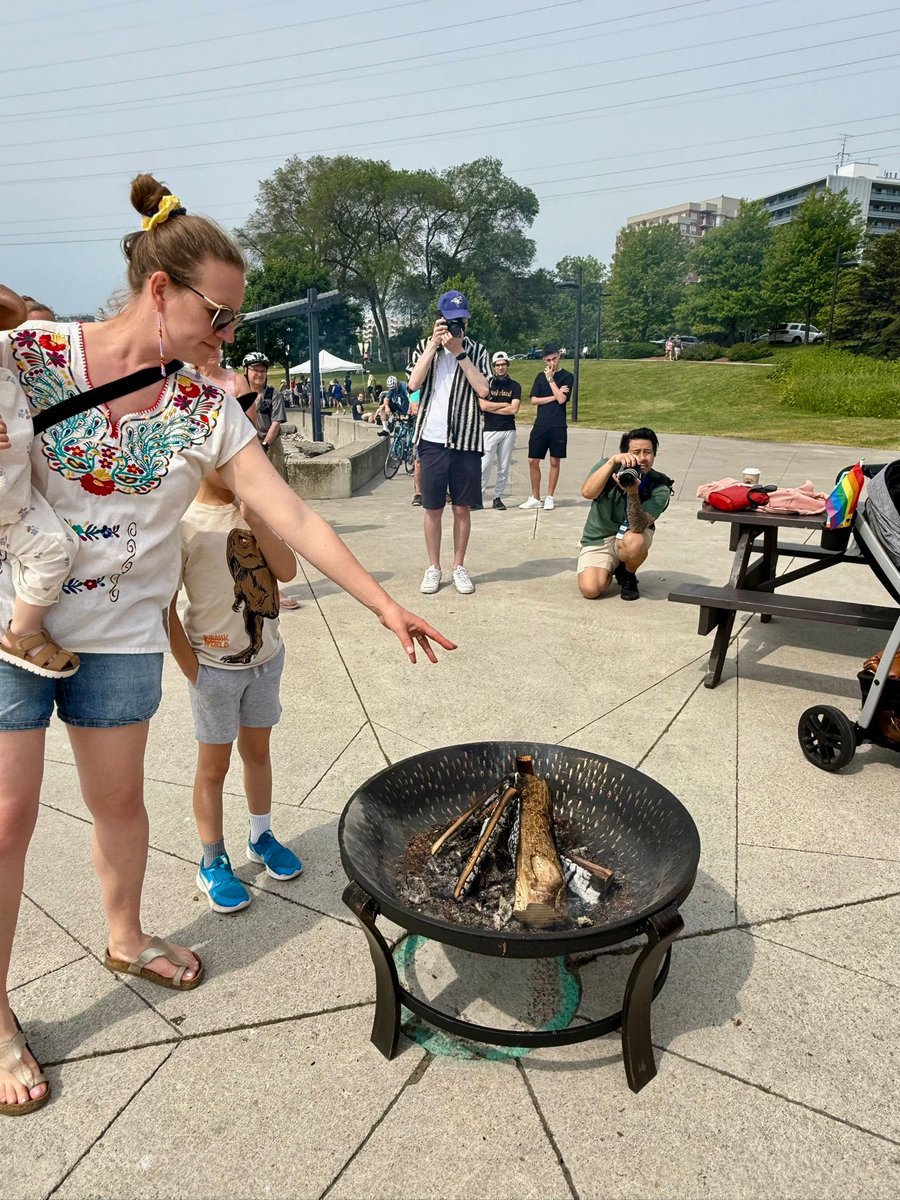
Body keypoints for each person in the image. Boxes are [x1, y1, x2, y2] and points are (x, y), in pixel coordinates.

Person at [0, 172, 454, 1116]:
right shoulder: (32, 354)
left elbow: (282, 506)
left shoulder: (207, 406)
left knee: (120, 801)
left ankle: (124, 936)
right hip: (13, 629)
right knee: (7, 819)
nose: (229, 335)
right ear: (159, 291)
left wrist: (381, 602)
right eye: (218, 313)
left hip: (122, 640)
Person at [169, 465, 302, 913]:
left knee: (258, 752)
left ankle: (260, 835)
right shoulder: (184, 522)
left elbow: (286, 570)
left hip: (266, 662)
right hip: (214, 669)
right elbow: (164, 606)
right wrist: (195, 669)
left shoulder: (255, 511)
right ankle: (212, 859)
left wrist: (259, 519)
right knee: (213, 766)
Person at [0, 285, 80, 684]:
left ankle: (21, 630)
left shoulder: (8, 367)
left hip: (16, 493)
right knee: (54, 548)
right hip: (8, 500)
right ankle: (20, 634)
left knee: (55, 548)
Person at [408, 290, 490, 594]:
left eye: (462, 322)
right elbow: (413, 384)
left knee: (462, 508)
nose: (457, 328)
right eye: (451, 322)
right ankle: (434, 567)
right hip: (432, 439)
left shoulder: (476, 351)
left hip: (465, 440)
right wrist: (433, 346)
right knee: (432, 507)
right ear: (440, 321)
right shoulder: (424, 347)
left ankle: (458, 566)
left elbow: (484, 390)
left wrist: (460, 353)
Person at [577, 427, 673, 602]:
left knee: (634, 541)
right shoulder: (608, 466)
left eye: (648, 452)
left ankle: (628, 574)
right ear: (625, 453)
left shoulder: (659, 485)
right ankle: (612, 566)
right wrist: (612, 462)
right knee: (590, 590)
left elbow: (637, 526)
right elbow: (587, 493)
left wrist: (632, 492)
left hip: (630, 536)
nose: (642, 458)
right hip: (598, 537)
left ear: (654, 455)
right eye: (636, 452)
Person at [519, 343, 572, 512]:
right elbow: (534, 400)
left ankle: (549, 496)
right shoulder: (539, 376)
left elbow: (562, 399)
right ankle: (535, 496)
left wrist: (551, 380)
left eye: (554, 359)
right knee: (533, 460)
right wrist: (554, 395)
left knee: (554, 460)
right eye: (548, 360)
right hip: (541, 423)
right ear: (544, 360)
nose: (551, 363)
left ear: (559, 356)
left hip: (558, 424)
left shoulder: (567, 376)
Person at [477, 351, 520, 511]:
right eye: (498, 365)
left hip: (508, 429)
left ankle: (498, 497)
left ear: (507, 365)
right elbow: (483, 406)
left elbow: (514, 409)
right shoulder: (487, 384)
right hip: (490, 429)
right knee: (485, 465)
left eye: (503, 364)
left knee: (503, 466)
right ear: (493, 367)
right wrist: (504, 405)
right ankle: (478, 498)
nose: (501, 367)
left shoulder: (515, 386)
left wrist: (493, 407)